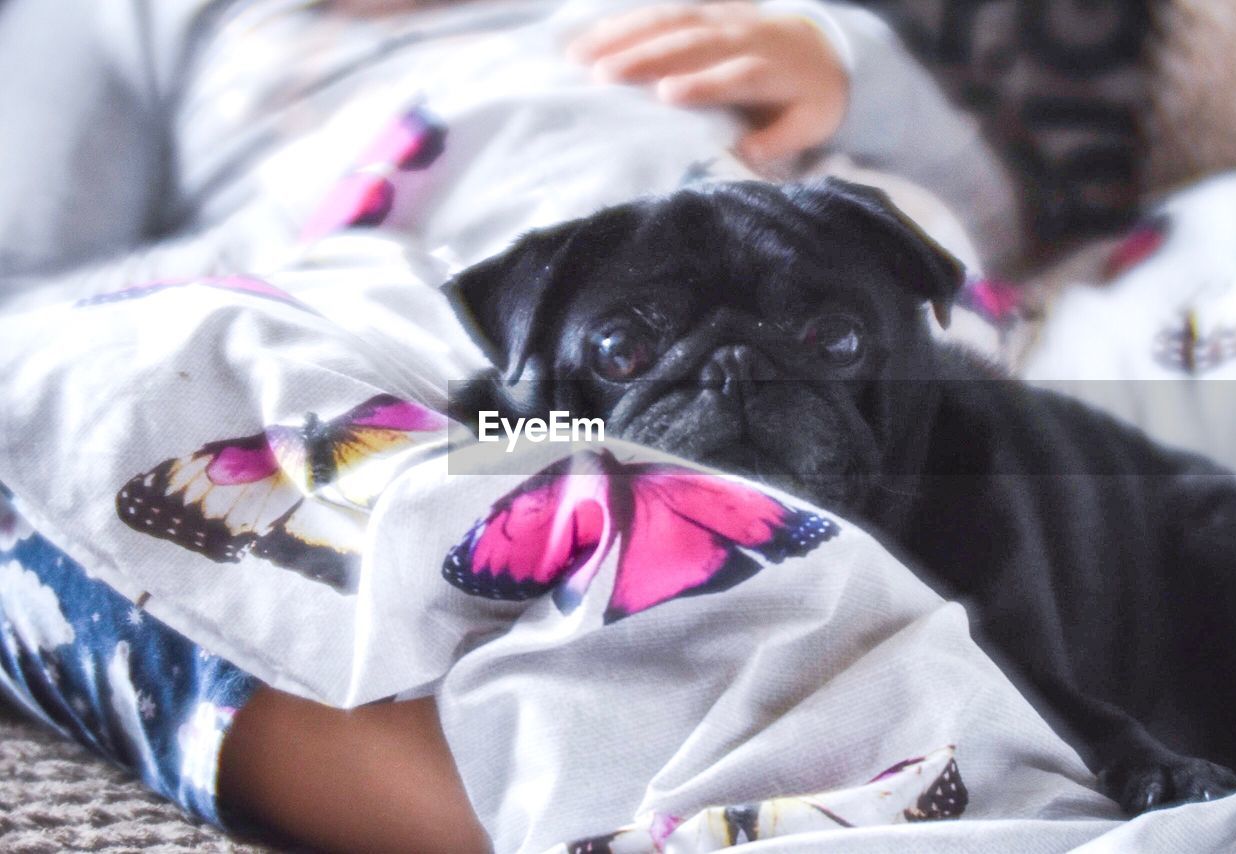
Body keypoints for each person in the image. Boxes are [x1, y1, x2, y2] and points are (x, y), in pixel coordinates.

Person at [0, 2, 1022, 850]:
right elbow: (27, 287)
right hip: (388, 296)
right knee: (100, 397)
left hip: (801, 287)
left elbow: (981, 212)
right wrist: (275, 237)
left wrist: (851, 72)